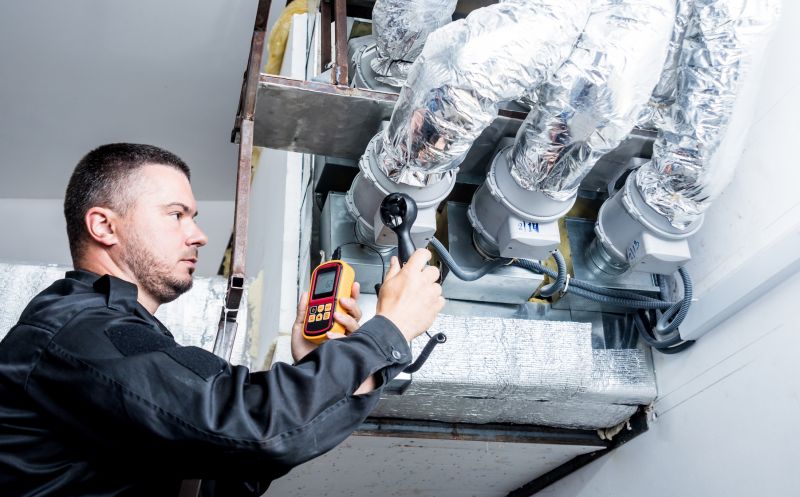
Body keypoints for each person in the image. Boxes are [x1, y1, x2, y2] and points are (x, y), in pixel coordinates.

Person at [0, 143, 444, 496]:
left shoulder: (122, 344)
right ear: (104, 226)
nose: (199, 235)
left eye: (193, 217)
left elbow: (229, 466)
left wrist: (314, 363)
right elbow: (248, 429)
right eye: (176, 215)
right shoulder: (79, 331)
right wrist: (389, 330)